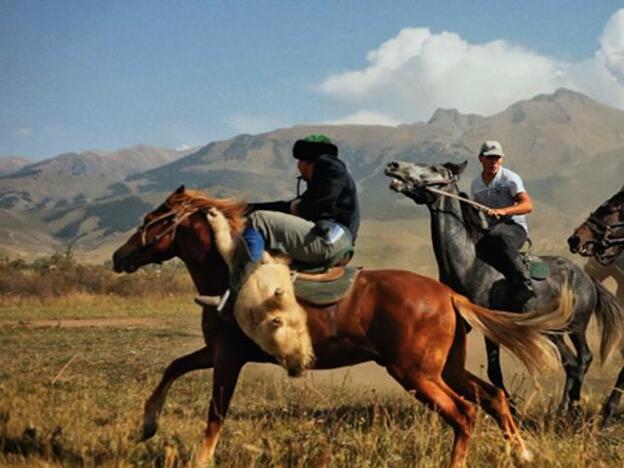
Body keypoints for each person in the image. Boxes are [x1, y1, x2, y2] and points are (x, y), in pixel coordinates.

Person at [196, 133, 359, 309]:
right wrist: (243, 209)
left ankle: (236, 294)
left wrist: (298, 207)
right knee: (264, 223)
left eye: (299, 162)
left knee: (258, 221)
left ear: (306, 161)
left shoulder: (329, 166)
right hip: (334, 240)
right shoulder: (326, 179)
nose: (298, 168)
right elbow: (288, 207)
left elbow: (309, 204)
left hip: (329, 239)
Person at [470, 140, 535, 304]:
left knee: (499, 235)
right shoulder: (475, 184)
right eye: (490, 158)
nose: (494, 162)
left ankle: (524, 282)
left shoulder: (510, 178)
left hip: (514, 228)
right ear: (481, 159)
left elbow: (528, 205)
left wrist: (503, 211)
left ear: (501, 159)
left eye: (497, 158)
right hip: (489, 231)